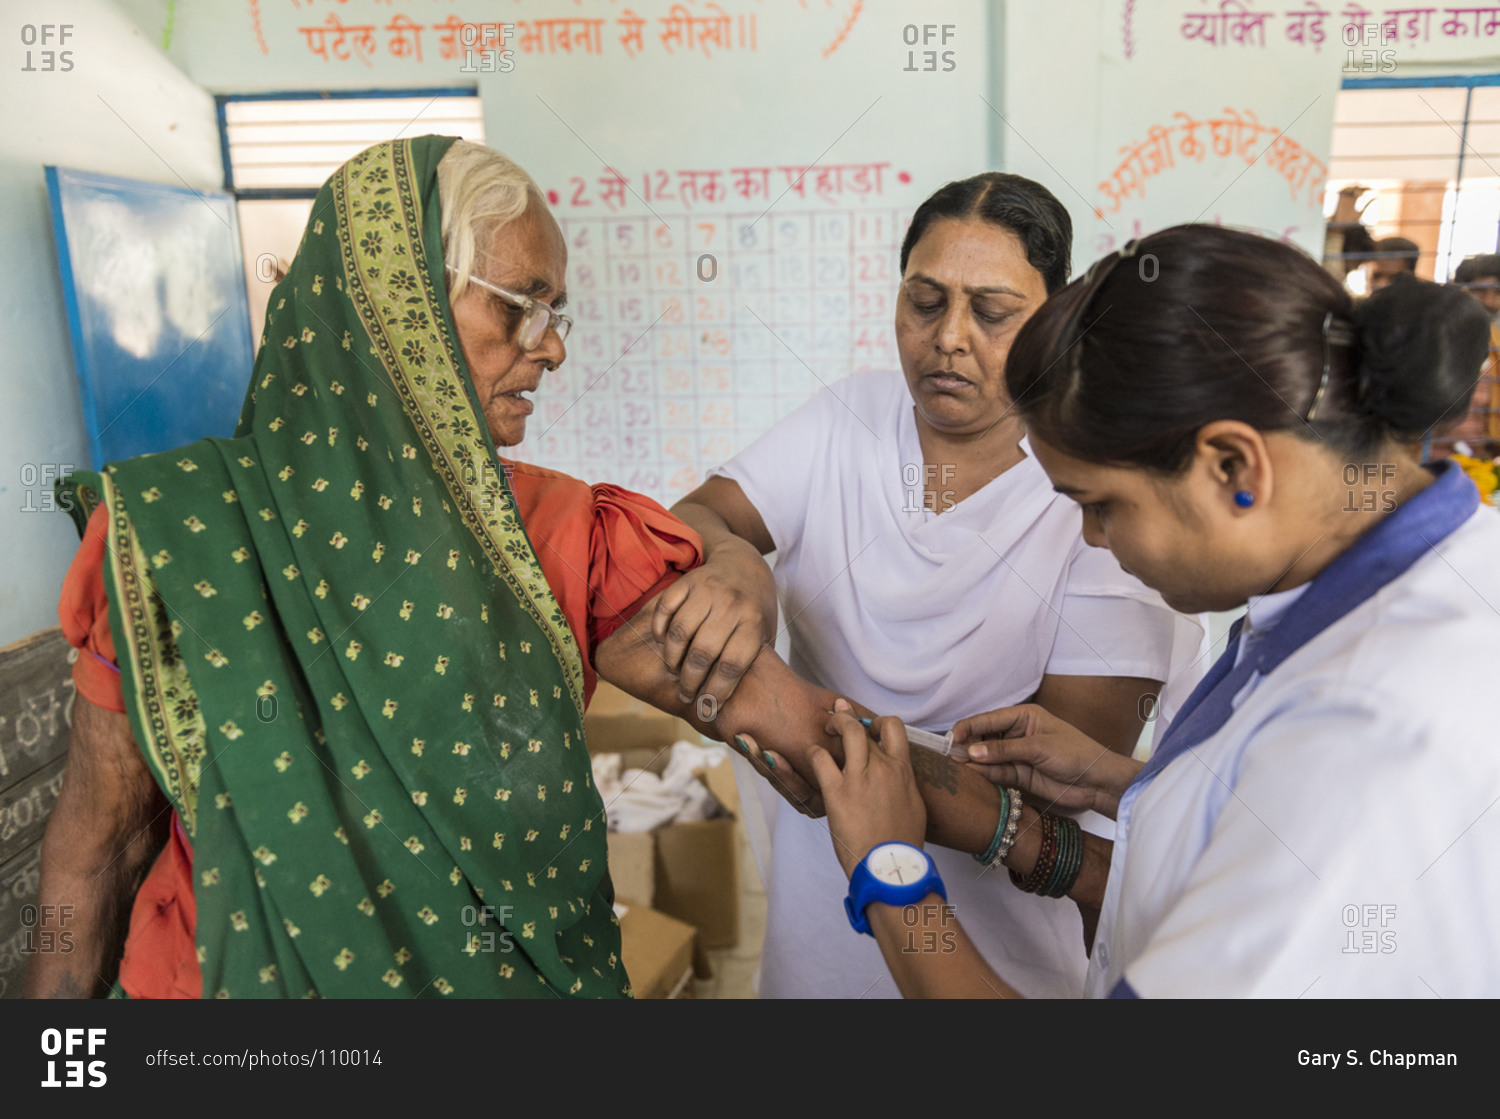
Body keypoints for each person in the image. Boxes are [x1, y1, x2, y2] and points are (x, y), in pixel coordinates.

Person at [26, 136, 858, 999]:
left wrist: (1003, 823)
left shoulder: (563, 536)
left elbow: (806, 736)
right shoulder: (176, 535)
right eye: (520, 306)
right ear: (396, 303)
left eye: (556, 313)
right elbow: (97, 850)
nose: (552, 349)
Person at [809, 225, 1500, 997]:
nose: (1092, 539)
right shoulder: (1380, 587)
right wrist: (1131, 786)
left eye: (1100, 505)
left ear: (1233, 466)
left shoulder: (1368, 728)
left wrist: (891, 872)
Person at [657, 173, 1204, 999]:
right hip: (830, 905)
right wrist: (735, 561)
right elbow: (697, 516)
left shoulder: (1090, 497)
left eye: (992, 312)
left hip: (994, 945)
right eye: (924, 301)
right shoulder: (848, 419)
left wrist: (799, 730)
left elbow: (1057, 793)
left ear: (1053, 317)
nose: (949, 337)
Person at [1444, 254, 1500, 460]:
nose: (1490, 302)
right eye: (1479, 291)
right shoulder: (1440, 338)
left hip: (1482, 459)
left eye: (1497, 293)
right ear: (1459, 290)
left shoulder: (1494, 341)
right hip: (1437, 456)